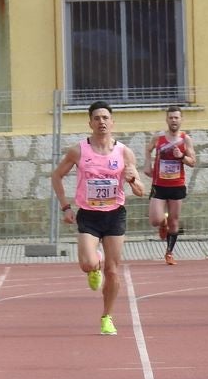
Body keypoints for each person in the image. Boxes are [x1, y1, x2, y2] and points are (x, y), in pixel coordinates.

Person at [50, 101, 146, 336]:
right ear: (90, 123)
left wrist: (133, 179)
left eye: (105, 118)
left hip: (115, 215)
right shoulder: (78, 151)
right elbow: (56, 176)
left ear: (112, 122)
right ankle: (95, 265)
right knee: (88, 264)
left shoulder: (124, 152)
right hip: (89, 216)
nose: (101, 122)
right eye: (97, 118)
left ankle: (107, 317)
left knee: (113, 271)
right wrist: (65, 207)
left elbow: (141, 191)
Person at [145, 105, 196, 265]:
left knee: (175, 221)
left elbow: (193, 162)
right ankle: (162, 223)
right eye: (171, 117)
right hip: (159, 185)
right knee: (155, 220)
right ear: (167, 119)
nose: (174, 120)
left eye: (176, 117)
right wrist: (147, 165)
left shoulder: (185, 139)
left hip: (177, 185)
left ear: (181, 120)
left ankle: (169, 252)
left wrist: (181, 157)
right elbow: (148, 149)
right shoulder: (158, 138)